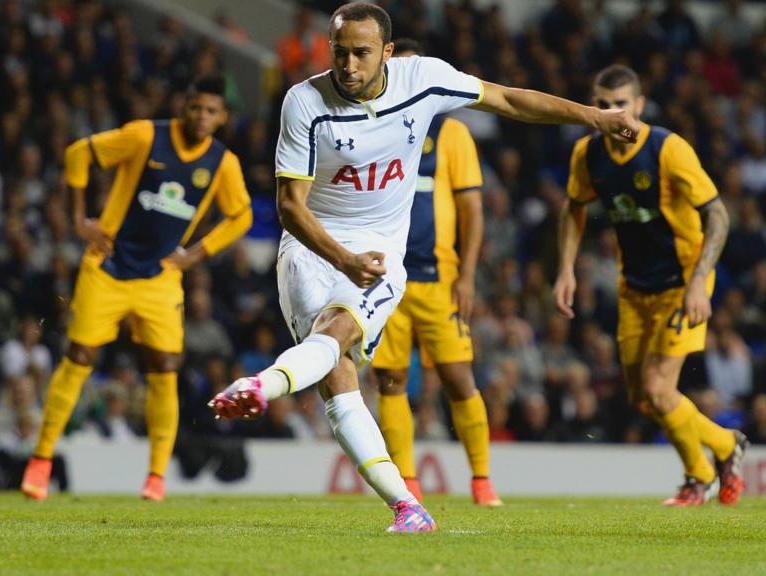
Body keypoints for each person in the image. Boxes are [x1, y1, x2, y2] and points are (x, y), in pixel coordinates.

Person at [209, 2, 639, 533]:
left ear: (387, 52)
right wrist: (341, 259)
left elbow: (507, 99)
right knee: (337, 374)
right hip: (311, 248)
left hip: (383, 251)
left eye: (361, 53)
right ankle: (403, 503)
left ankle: (265, 388)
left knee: (337, 336)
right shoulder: (304, 101)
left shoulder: (424, 79)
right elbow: (290, 207)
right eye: (339, 52)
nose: (348, 65)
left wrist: (593, 117)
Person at [21, 75, 252, 502]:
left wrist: (195, 254)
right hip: (107, 266)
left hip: (161, 277)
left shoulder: (223, 163)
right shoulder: (145, 135)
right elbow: (78, 154)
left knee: (164, 366)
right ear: (185, 105)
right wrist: (79, 219)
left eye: (211, 111)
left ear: (222, 117)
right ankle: (41, 459)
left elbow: (241, 216)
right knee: (80, 356)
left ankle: (156, 476)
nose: (202, 117)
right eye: (196, 107)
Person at [553, 64, 748, 506]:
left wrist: (699, 282)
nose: (612, 113)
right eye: (602, 105)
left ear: (639, 106)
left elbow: (717, 214)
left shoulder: (668, 149)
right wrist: (566, 268)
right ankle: (720, 449)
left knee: (661, 390)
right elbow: (573, 207)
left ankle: (700, 476)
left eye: (621, 104)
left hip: (682, 284)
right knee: (644, 399)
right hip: (634, 286)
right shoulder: (588, 154)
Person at [369, 39, 500, 506]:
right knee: (390, 381)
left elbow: (472, 209)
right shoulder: (373, 128)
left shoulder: (452, 134)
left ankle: (482, 481)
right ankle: (407, 482)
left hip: (439, 279)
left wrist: (467, 275)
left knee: (458, 378)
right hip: (385, 280)